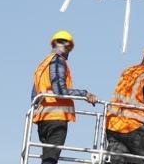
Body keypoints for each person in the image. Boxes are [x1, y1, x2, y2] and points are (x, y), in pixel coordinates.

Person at [31, 30, 98, 164]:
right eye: (67, 46)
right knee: (50, 160)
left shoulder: (43, 64)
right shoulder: (57, 61)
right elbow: (60, 90)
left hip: (43, 120)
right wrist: (85, 94)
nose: (68, 50)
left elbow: (34, 95)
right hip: (55, 119)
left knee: (48, 158)